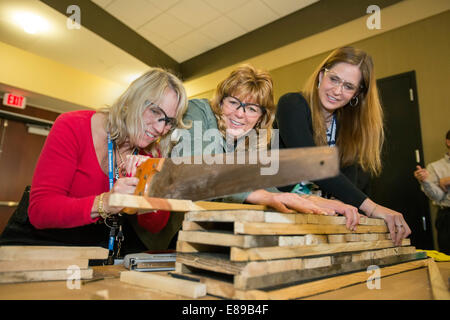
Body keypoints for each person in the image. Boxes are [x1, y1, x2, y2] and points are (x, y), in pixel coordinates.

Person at [0, 67, 189, 256]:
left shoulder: (149, 155)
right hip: (39, 247)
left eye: (168, 121)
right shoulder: (72, 126)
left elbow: (154, 226)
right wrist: (106, 203)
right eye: (155, 112)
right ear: (133, 101)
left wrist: (149, 186)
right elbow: (41, 210)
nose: (160, 128)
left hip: (91, 252)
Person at [172, 64, 362, 231]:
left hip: (210, 230)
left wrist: (309, 200)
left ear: (261, 118)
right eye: (233, 103)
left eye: (252, 109)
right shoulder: (198, 111)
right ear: (221, 100)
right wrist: (265, 196)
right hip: (170, 230)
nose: (240, 114)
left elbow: (264, 187)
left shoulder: (251, 141)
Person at [275, 46, 411, 245]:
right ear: (321, 75)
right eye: (334, 79)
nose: (337, 91)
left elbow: (348, 182)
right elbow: (312, 164)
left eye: (348, 86)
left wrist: (348, 207)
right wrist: (372, 208)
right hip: (281, 210)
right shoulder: (292, 104)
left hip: (322, 219)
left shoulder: (348, 126)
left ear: (357, 93)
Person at [414, 130, 450, 254]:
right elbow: (438, 196)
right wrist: (425, 181)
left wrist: (447, 180)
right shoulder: (435, 167)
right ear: (448, 142)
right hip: (447, 217)